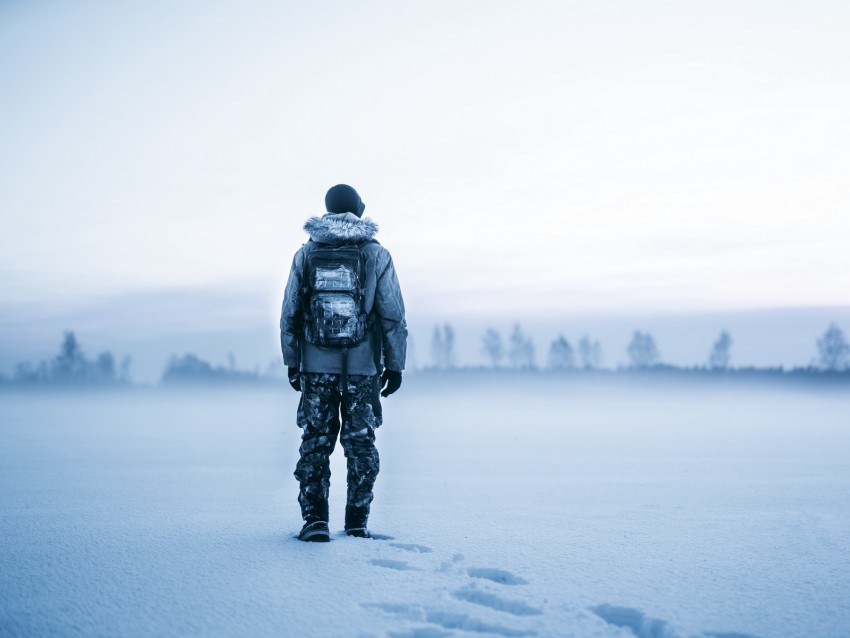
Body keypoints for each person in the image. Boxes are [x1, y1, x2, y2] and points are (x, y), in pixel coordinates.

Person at [280, 184, 407, 542]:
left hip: (315, 366)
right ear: (359, 210)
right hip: (363, 367)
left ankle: (315, 520)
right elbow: (392, 315)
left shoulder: (306, 254)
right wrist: (395, 364)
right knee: (361, 444)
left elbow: (289, 313)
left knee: (316, 441)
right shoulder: (375, 254)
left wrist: (294, 362)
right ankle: (356, 522)